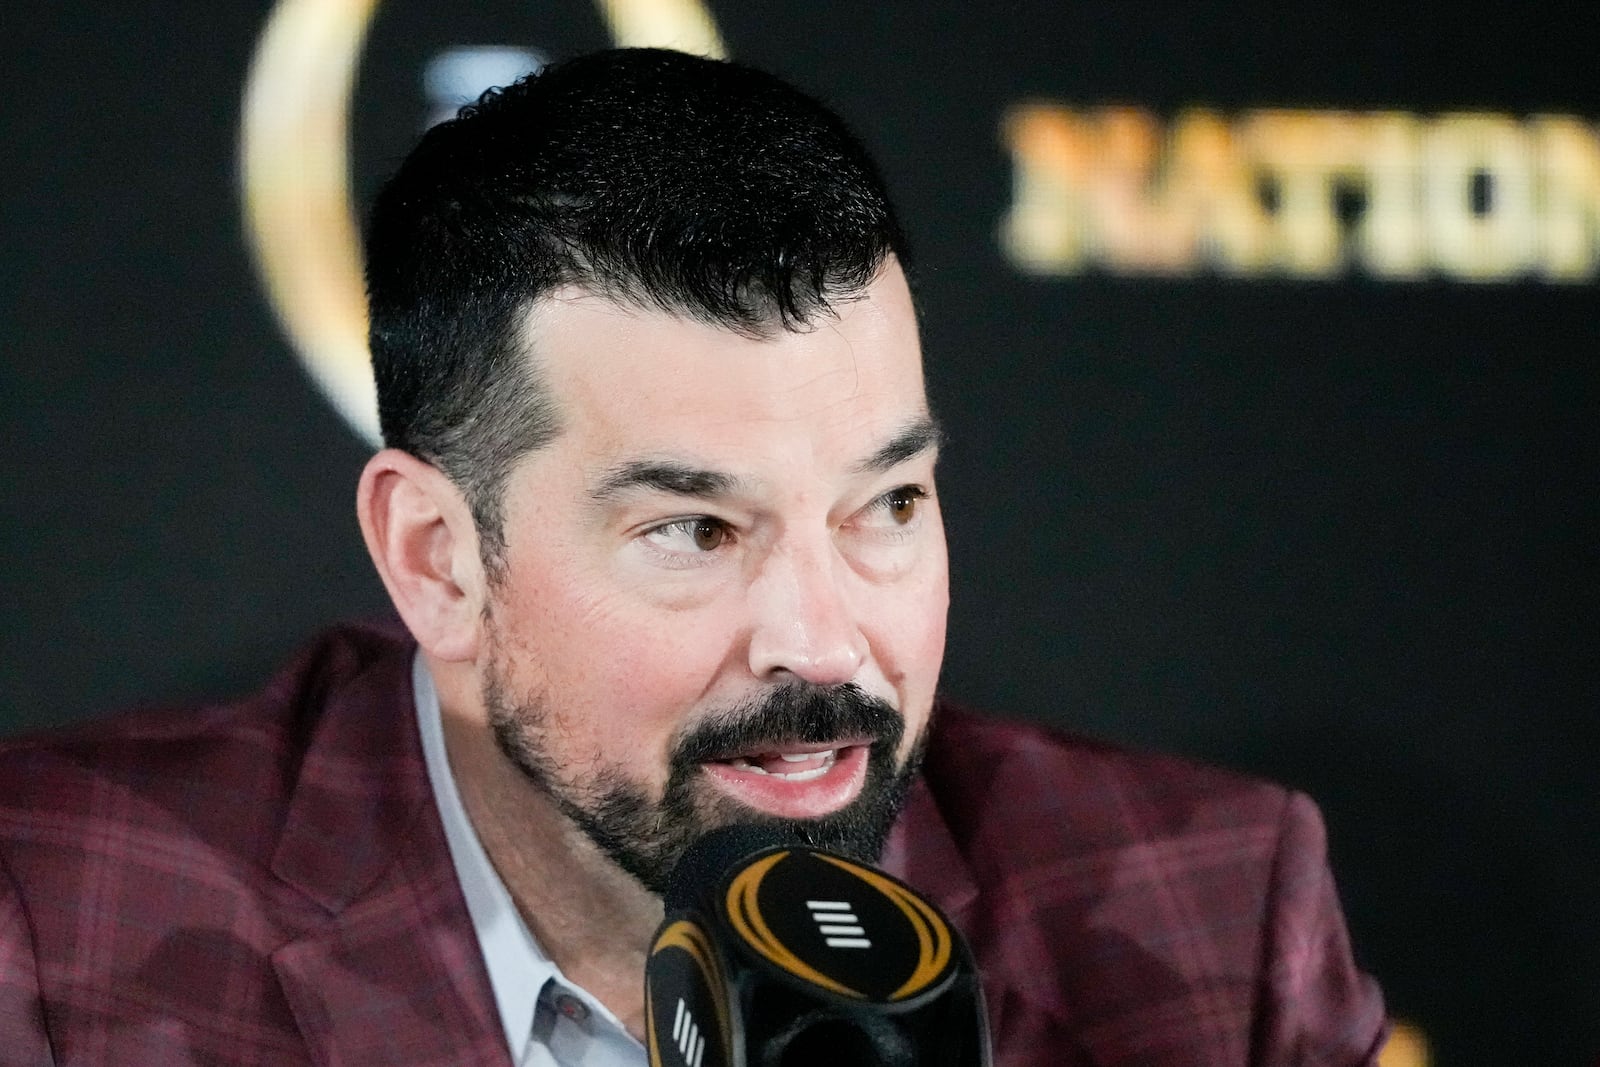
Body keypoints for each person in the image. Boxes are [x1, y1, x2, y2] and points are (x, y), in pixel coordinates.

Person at [0, 48, 1385, 1065]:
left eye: (887, 506)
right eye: (697, 532)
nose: (826, 643)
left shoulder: (1205, 931)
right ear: (435, 561)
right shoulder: (59, 934)